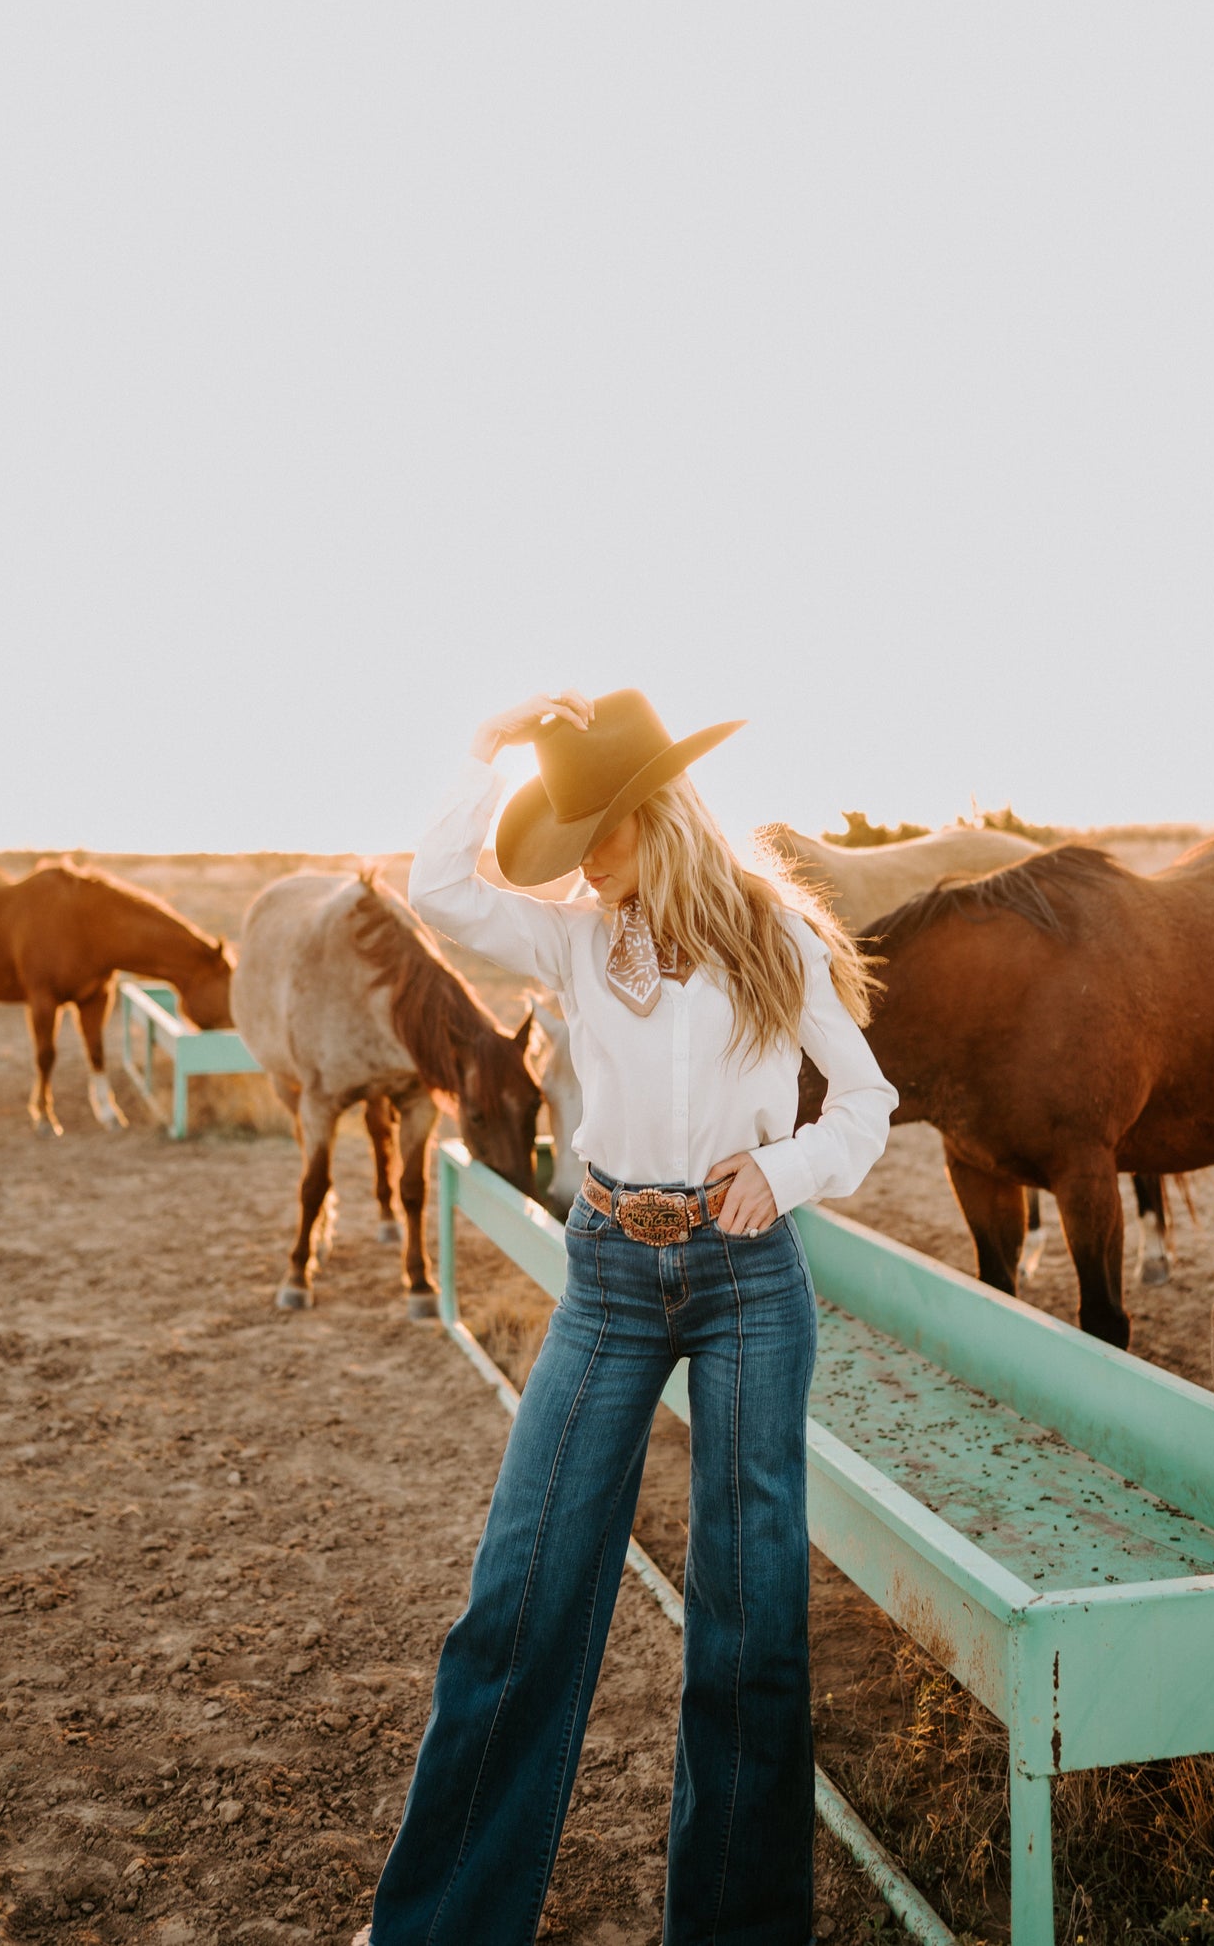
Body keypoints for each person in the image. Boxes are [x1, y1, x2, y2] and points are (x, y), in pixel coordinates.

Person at [362, 688, 896, 1946]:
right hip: (603, 1277)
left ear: (652, 814)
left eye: (593, 830)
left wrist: (787, 1170)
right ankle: (435, 1930)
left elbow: (864, 1100)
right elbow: (437, 886)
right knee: (519, 1597)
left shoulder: (775, 933)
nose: (581, 861)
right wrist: (482, 750)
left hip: (746, 1281)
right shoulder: (570, 940)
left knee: (751, 1627)